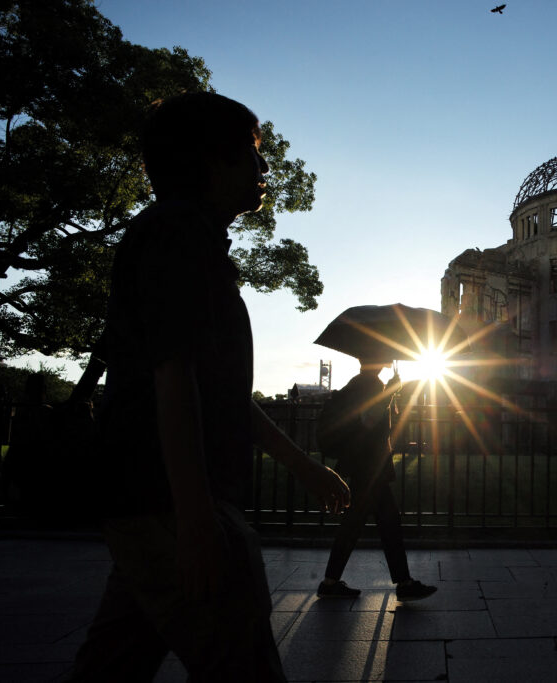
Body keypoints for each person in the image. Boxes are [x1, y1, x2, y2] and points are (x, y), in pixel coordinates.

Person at [67, 92, 350, 683]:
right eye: (253, 153)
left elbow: (218, 390)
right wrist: (196, 521)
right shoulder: (177, 234)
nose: (264, 169)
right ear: (211, 161)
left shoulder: (186, 238)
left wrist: (301, 465)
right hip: (169, 502)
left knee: (112, 665)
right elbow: (175, 377)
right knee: (242, 666)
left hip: (150, 500)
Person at [316, 358, 436, 602]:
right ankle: (402, 583)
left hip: (366, 465)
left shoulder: (360, 383)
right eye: (383, 355)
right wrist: (391, 390)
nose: (388, 360)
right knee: (376, 523)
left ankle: (399, 582)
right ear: (375, 360)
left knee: (377, 522)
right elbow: (369, 421)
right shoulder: (370, 385)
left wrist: (391, 390)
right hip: (369, 465)